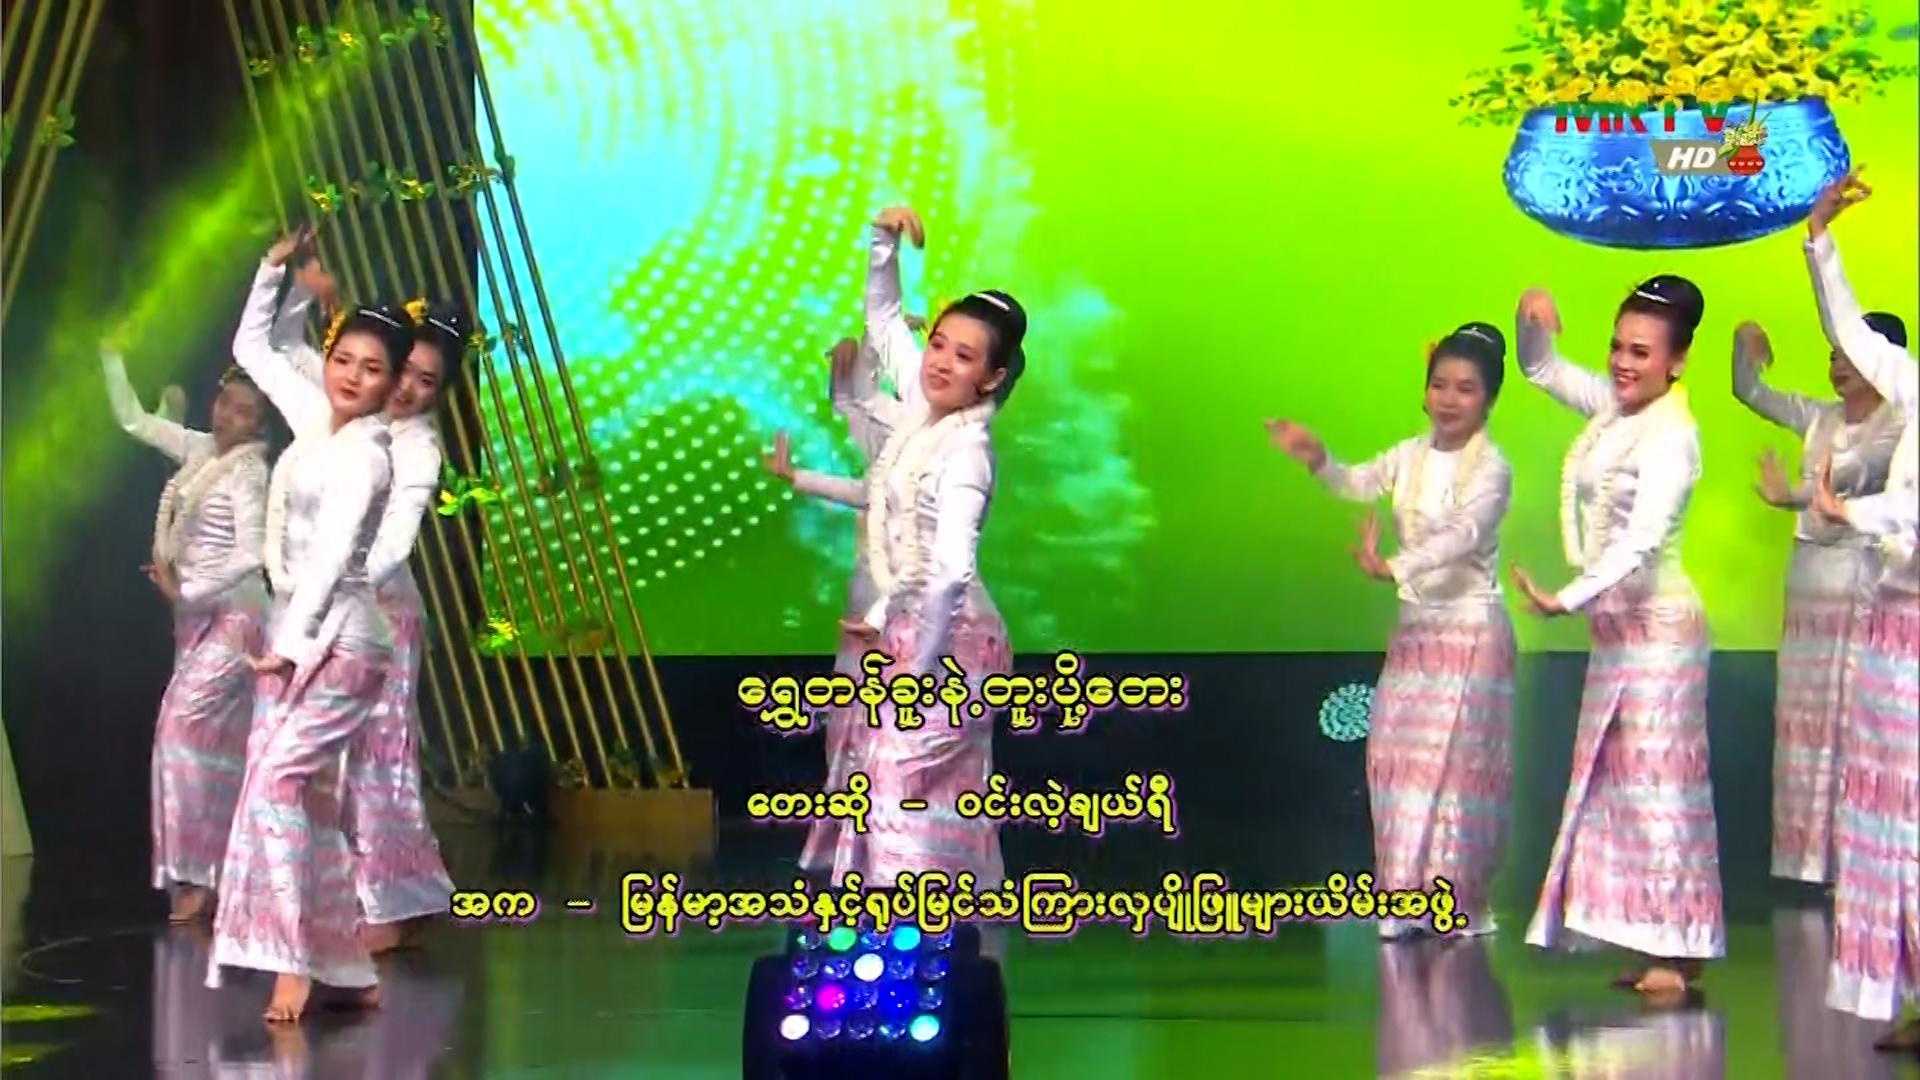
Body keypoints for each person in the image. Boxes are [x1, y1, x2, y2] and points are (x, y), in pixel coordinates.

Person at [767, 205, 1021, 887]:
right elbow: (882, 321)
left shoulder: (967, 454)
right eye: (938, 344)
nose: (940, 361)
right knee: (884, 784)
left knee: (896, 787)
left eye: (964, 356)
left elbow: (949, 575)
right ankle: (918, 924)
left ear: (990, 378)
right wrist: (883, 242)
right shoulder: (921, 406)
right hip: (910, 633)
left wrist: (917, 667)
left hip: (952, 644)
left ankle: (915, 926)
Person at [239, 229, 459, 955]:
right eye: (405, 371)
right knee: (321, 764)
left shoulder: (418, 448)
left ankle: (390, 907)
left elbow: (390, 548)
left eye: (427, 382)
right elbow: (272, 349)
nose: (407, 388)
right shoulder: (337, 409)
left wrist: (326, 593)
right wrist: (286, 283)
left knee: (378, 760)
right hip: (315, 609)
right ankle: (353, 901)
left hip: (378, 617)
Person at [1507, 275, 1724, 999]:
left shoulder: (1674, 436)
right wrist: (1531, 315)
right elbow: (1540, 367)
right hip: (1618, 630)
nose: (1623, 363)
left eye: (1641, 352)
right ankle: (1659, 941)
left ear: (1677, 361)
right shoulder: (1614, 406)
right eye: (1617, 347)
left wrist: (1565, 599)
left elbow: (1641, 540)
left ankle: (1677, 946)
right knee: (1621, 788)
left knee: (1661, 789)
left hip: (1660, 632)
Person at [1266, 323, 1515, 940]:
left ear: (1488, 399)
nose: (1448, 399)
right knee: (1396, 757)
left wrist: (1395, 567)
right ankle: (1403, 895)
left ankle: (1456, 899)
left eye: (1465, 389)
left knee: (1457, 769)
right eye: (1439, 385)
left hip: (1470, 633)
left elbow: (1464, 535)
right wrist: (1318, 459)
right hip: (1417, 633)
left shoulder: (1493, 469)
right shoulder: (1409, 455)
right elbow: (1356, 481)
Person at [207, 296, 412, 1023]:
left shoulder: (368, 455)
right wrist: (277, 276)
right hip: (293, 630)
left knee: (275, 789)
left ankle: (293, 961)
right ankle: (348, 969)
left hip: (343, 643)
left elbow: (331, 559)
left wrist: (291, 647)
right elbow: (252, 347)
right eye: (342, 360)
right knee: (307, 804)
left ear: (392, 384)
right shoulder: (314, 419)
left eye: (372, 369)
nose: (352, 376)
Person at [1801, 168, 1919, 1051]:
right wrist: (1819, 237)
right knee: (1891, 818)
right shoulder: (1910, 385)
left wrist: (1857, 514)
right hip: (1894, 628)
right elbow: (1852, 332)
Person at [1733, 310, 1903, 885]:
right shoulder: (1819, 416)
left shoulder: (1898, 426)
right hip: (1808, 583)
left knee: (1851, 716)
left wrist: (1790, 495)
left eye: (1851, 354)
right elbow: (1750, 392)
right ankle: (1806, 860)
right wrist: (1743, 344)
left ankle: (1854, 863)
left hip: (1859, 581)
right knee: (1803, 718)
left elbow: (1851, 473)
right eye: (1834, 353)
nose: (1838, 364)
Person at [103, 348, 271, 924]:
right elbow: (133, 420)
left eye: (244, 412)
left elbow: (250, 554)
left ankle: (199, 873)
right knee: (216, 748)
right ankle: (219, 871)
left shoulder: (250, 473)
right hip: (193, 619)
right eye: (226, 403)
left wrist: (186, 588)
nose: (229, 417)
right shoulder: (200, 448)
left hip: (237, 618)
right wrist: (110, 353)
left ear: (259, 425)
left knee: (178, 730)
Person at [764, 335, 905, 876]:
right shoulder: (892, 448)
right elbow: (866, 481)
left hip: (907, 611)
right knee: (852, 727)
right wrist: (795, 477)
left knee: (899, 731)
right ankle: (860, 848)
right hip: (867, 601)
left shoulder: (943, 450)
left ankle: (899, 851)